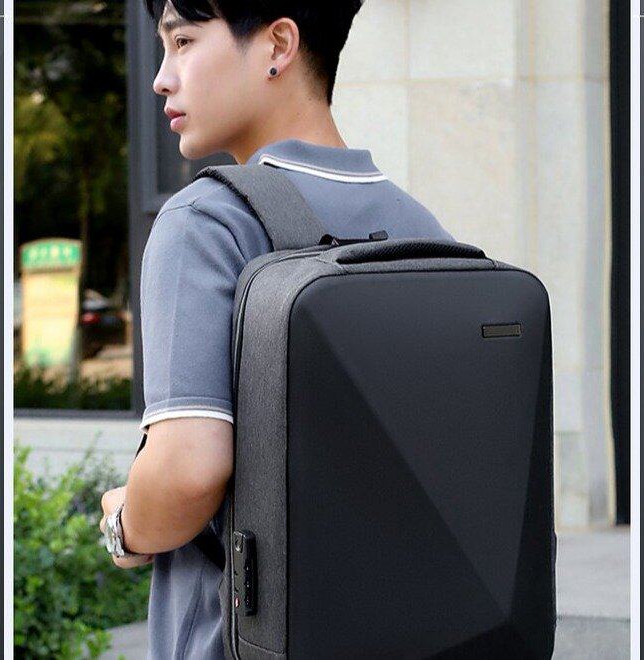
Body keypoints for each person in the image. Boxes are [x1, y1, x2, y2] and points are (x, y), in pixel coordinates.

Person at [99, 1, 456, 657]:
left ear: (278, 45)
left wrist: (124, 523)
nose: (161, 77)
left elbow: (187, 471)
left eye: (183, 42)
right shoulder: (427, 232)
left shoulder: (207, 222)